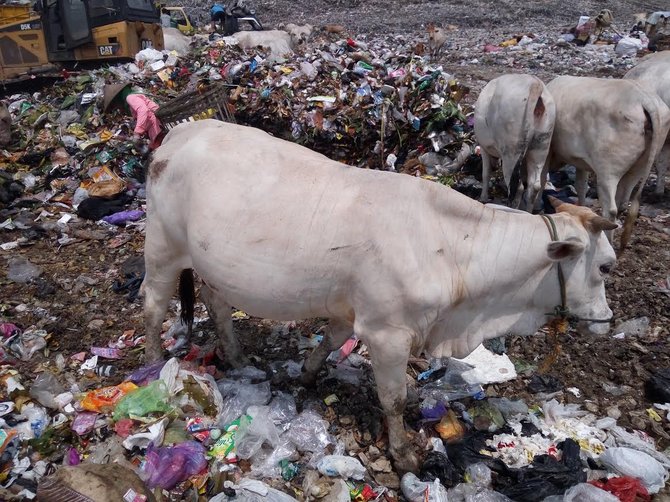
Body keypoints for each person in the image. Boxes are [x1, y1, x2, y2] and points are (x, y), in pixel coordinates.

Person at [103, 83, 164, 150]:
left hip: (157, 126)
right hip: (155, 128)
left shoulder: (130, 97)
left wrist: (137, 132)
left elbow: (143, 110)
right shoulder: (130, 102)